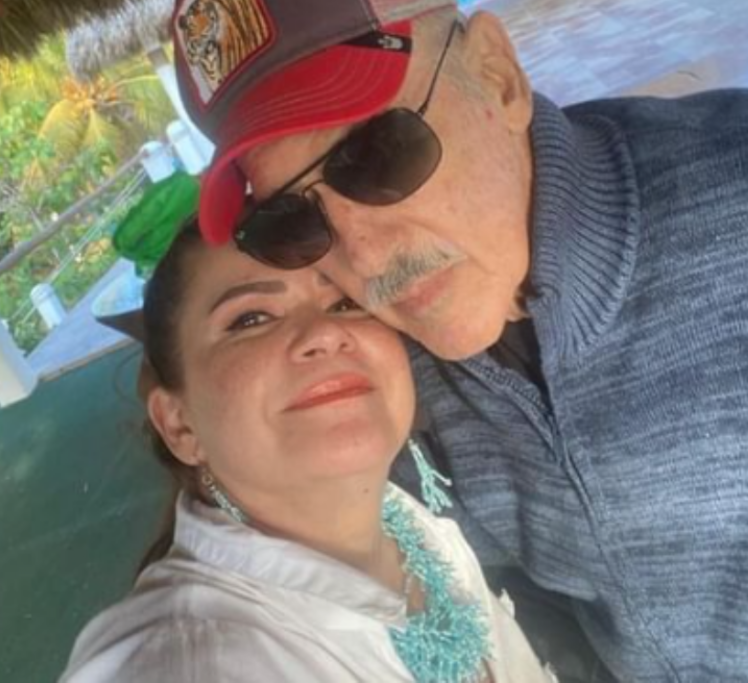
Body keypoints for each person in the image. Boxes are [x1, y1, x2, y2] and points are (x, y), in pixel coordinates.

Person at [170, 0, 748, 682]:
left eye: (377, 155)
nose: (362, 257)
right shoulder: (390, 377)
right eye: (290, 218)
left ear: (498, 77)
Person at [60, 219, 555, 683]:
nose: (324, 332)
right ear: (180, 424)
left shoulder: (403, 521)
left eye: (344, 303)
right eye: (251, 318)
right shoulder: (191, 658)